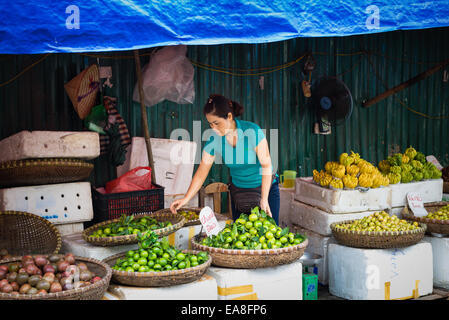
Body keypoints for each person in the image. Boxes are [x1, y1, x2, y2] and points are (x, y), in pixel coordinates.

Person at [170, 94, 280, 224]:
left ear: (229, 116)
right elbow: (202, 172)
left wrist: (264, 198)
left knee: (270, 237)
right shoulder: (214, 139)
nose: (214, 128)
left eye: (217, 123)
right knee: (240, 238)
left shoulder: (252, 131)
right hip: (239, 193)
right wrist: (186, 198)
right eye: (210, 124)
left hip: (265, 189)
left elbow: (267, 166)